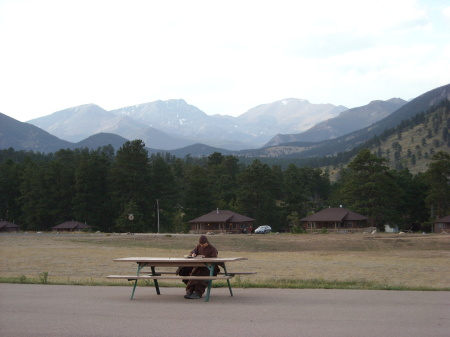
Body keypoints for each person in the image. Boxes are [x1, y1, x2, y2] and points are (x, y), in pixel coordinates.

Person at [184, 235, 220, 299]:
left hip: (209, 268)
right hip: (199, 267)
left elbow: (214, 259)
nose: (202, 245)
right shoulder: (198, 247)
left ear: (207, 242)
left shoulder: (212, 249)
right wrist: (193, 254)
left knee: (201, 276)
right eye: (200, 244)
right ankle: (189, 291)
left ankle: (197, 293)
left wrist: (204, 258)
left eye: (203, 244)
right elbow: (192, 251)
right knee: (193, 274)